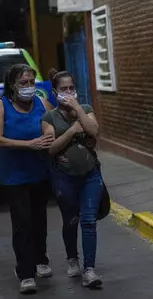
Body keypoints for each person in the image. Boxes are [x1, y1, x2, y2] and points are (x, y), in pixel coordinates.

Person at [0, 64, 54, 294]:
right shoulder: (1, 105)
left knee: (39, 219)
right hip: (14, 174)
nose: (29, 88)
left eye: (31, 83)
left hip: (38, 171)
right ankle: (25, 272)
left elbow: (51, 127)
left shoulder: (41, 103)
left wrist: (48, 136)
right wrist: (29, 144)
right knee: (22, 223)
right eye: (23, 83)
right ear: (12, 85)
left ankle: (41, 259)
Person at [41, 70, 103, 288]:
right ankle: (72, 258)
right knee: (71, 220)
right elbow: (51, 149)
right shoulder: (49, 118)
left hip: (90, 175)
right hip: (64, 177)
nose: (68, 92)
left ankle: (89, 270)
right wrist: (72, 131)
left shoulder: (84, 109)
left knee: (88, 220)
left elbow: (94, 131)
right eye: (63, 89)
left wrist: (77, 109)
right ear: (55, 91)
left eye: (71, 88)